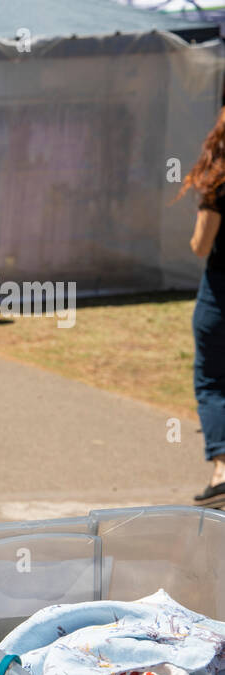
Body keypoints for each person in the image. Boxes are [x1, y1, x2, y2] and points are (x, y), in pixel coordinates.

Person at [181, 106, 225, 506]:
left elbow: (201, 245)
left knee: (212, 381)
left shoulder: (218, 185)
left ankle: (222, 470)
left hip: (220, 292)